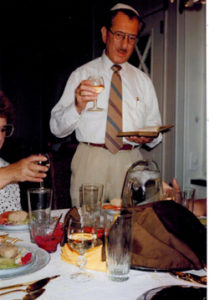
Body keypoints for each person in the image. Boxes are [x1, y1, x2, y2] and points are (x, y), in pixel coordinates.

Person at [50, 3, 162, 206]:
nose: (124, 44)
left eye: (131, 37)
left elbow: (156, 130)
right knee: (88, 227)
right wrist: (77, 106)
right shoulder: (81, 75)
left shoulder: (143, 81)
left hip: (131, 162)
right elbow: (56, 129)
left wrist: (149, 136)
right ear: (105, 34)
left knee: (133, 227)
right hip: (91, 161)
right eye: (119, 34)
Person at [0, 90, 49, 213]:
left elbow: (13, 220)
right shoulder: (10, 170)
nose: (0, 137)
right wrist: (9, 173)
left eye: (2, 130)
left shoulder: (6, 166)